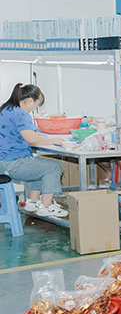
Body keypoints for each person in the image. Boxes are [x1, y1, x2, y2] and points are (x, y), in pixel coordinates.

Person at [0, 84, 68, 218]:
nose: (34, 109)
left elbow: (22, 133)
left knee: (36, 163)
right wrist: (54, 140)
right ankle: (47, 206)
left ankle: (33, 202)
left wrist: (39, 136)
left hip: (3, 162)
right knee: (53, 168)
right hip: (13, 164)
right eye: (36, 105)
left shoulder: (6, 109)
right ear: (30, 100)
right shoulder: (21, 113)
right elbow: (31, 139)